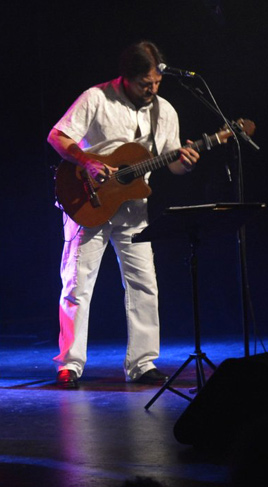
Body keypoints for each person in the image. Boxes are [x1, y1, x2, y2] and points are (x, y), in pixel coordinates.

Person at [47, 41, 200, 388]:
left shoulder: (164, 111)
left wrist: (185, 163)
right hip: (89, 203)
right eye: (146, 84)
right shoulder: (96, 99)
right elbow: (57, 135)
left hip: (133, 210)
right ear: (126, 78)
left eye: (157, 83)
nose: (153, 90)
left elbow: (172, 163)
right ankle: (69, 364)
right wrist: (87, 161)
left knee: (144, 284)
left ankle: (143, 363)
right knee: (77, 285)